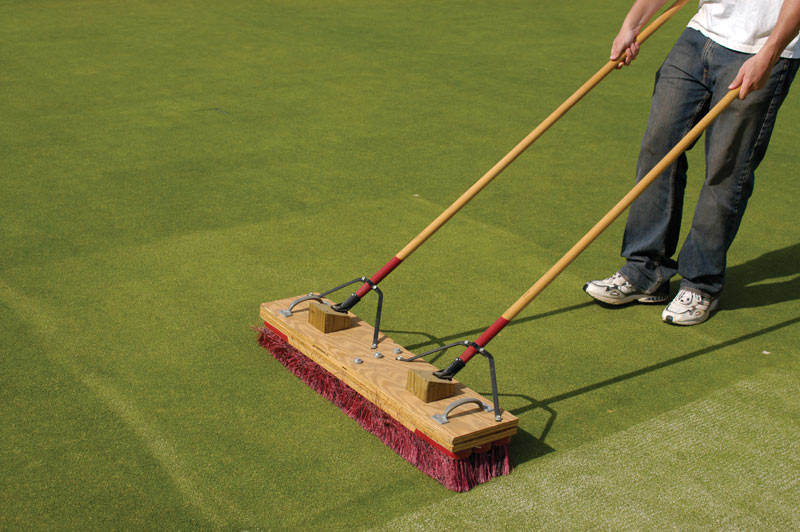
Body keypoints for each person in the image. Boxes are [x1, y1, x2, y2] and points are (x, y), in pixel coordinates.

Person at [584, 0, 800, 325]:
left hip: (763, 49)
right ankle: (645, 271)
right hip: (701, 35)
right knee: (659, 149)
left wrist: (769, 53)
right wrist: (633, 22)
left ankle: (701, 283)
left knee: (726, 170)